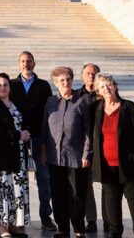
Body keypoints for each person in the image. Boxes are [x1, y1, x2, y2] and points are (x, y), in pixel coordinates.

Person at [88, 74, 134, 238]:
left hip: (129, 162)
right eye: (102, 86)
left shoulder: (129, 107)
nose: (106, 88)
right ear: (98, 91)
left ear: (115, 85)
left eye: (108, 84)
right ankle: (114, 232)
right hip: (106, 164)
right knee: (111, 201)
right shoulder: (95, 109)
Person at [40, 66, 90, 238]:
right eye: (62, 80)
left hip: (76, 156)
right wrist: (44, 150)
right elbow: (45, 128)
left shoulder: (81, 101)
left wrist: (86, 153)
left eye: (68, 79)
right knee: (58, 193)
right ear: (56, 83)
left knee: (77, 194)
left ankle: (78, 227)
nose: (66, 82)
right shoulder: (50, 102)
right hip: (55, 157)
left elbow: (87, 130)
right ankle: (62, 227)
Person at [10, 52, 55, 232]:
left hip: (38, 138)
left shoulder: (43, 85)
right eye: (23, 61)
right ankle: (19, 219)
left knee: (44, 178)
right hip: (18, 139)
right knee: (19, 180)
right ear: (19, 64)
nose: (26, 64)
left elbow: (49, 112)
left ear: (34, 64)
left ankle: (46, 216)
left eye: (29, 61)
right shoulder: (11, 84)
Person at [0, 73, 30, 238]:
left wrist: (26, 132)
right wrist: (18, 135)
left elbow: (24, 122)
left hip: (17, 155)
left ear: (10, 87)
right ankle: (2, 227)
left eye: (5, 85)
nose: (2, 88)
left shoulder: (16, 104)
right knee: (1, 190)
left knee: (15, 190)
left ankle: (13, 223)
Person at [76, 64, 102, 235]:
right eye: (88, 73)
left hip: (103, 145)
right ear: (82, 76)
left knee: (109, 185)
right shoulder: (76, 95)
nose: (91, 76)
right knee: (86, 185)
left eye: (94, 73)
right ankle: (91, 219)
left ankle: (110, 219)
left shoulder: (105, 93)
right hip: (84, 146)